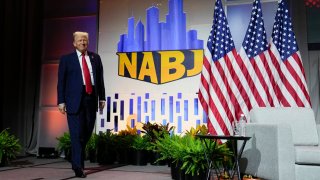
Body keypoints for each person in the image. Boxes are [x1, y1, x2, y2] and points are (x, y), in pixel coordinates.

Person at [57, 31, 106, 178]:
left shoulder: (95, 58)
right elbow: (61, 83)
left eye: (85, 40)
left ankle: (75, 157)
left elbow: (100, 81)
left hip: (90, 99)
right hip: (73, 101)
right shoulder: (66, 59)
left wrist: (102, 98)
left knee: (87, 132)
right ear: (74, 43)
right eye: (79, 40)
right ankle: (78, 166)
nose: (83, 42)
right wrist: (61, 101)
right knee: (76, 134)